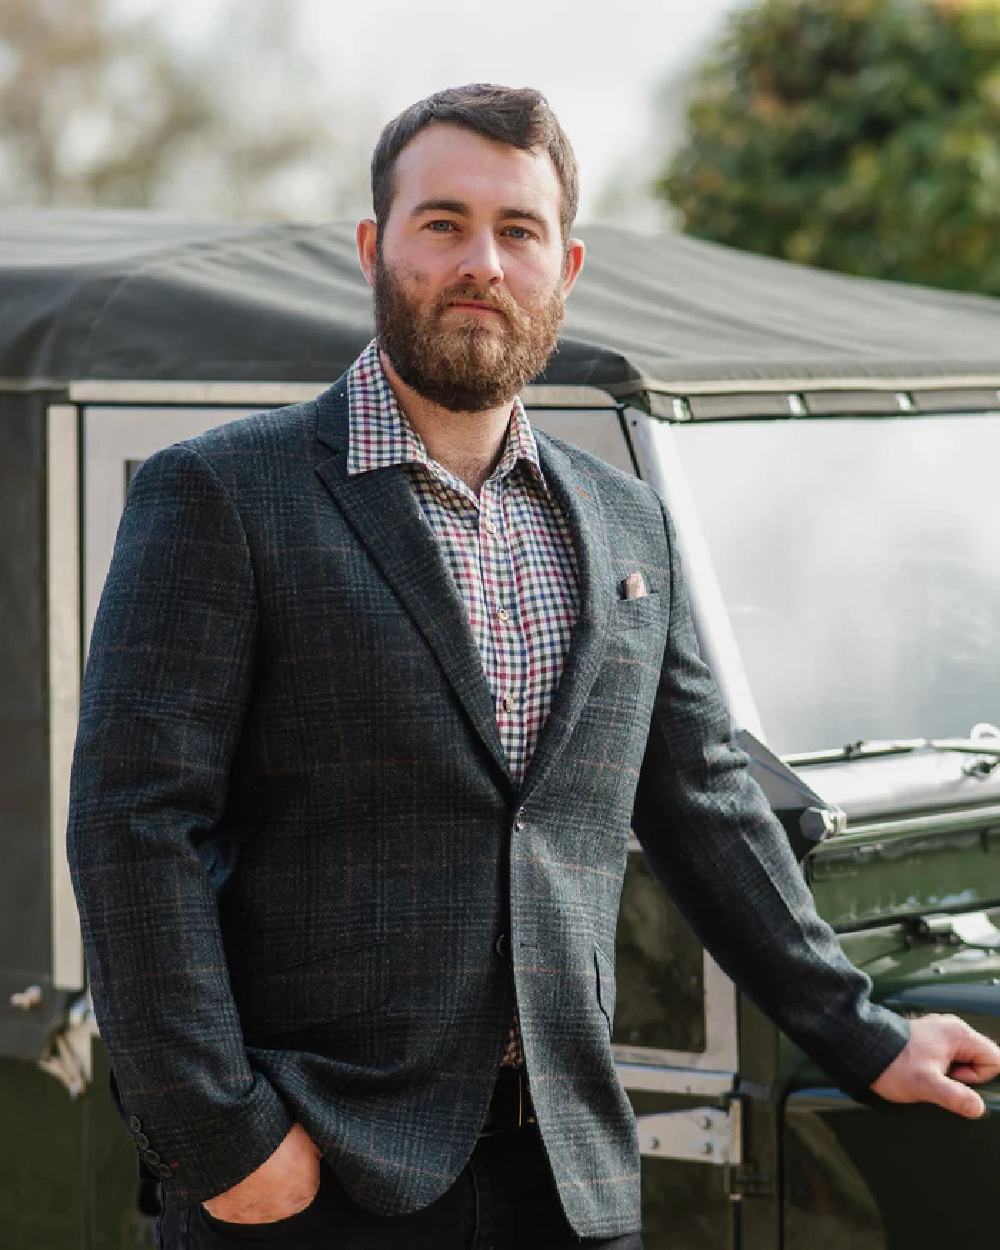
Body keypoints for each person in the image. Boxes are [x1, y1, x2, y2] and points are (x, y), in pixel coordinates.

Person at [67, 83, 1000, 1250]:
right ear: (376, 247)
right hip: (314, 1179)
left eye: (516, 231)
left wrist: (863, 1032)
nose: (481, 263)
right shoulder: (221, 493)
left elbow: (706, 800)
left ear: (566, 264)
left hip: (567, 1176)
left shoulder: (625, 524)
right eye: (442, 222)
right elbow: (132, 825)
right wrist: (221, 1138)